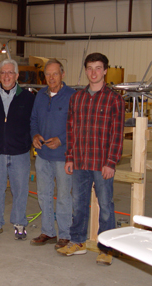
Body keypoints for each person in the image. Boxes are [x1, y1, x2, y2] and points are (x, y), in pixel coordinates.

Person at [57, 53, 125, 266]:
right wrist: (70, 158)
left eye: (98, 68)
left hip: (102, 163)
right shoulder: (77, 98)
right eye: (89, 68)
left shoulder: (115, 99)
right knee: (79, 204)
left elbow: (117, 134)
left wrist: (111, 162)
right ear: (85, 70)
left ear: (105, 70)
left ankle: (106, 248)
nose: (93, 72)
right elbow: (71, 130)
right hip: (80, 162)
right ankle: (78, 241)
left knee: (105, 205)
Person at [0, 59, 35, 240]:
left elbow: (34, 125)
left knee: (20, 189)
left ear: (17, 76)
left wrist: (33, 145)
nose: (6, 76)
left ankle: (19, 223)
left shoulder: (28, 98)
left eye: (10, 73)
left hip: (20, 153)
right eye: (3, 73)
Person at [30, 59, 75, 249]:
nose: (51, 78)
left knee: (64, 196)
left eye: (55, 73)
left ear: (62, 74)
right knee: (44, 194)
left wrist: (61, 140)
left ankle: (65, 234)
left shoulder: (72, 96)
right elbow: (33, 119)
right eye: (48, 74)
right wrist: (34, 135)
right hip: (42, 155)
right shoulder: (40, 95)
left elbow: (76, 126)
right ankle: (48, 231)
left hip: (63, 156)